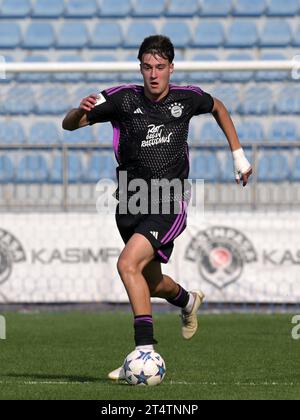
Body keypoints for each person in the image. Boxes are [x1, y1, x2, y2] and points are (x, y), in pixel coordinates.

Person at [62, 35, 252, 380]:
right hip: (131, 201)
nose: (153, 74)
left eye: (160, 67)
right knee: (147, 283)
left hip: (169, 199)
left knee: (126, 264)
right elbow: (69, 125)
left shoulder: (187, 98)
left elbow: (219, 108)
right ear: (140, 68)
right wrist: (79, 110)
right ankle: (188, 301)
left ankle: (143, 352)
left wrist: (238, 156)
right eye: (147, 67)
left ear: (170, 69)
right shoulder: (121, 99)